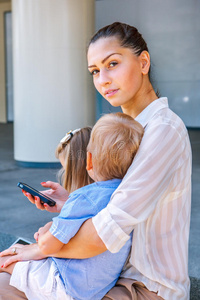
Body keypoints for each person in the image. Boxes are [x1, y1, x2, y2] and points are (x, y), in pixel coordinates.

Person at [0, 22, 192, 300]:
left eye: (112, 63)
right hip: (103, 272)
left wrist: (38, 249)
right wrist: (73, 202)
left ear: (143, 62)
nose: (102, 79)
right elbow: (118, 203)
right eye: (95, 71)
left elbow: (104, 232)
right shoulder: (131, 128)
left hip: (144, 286)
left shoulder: (163, 130)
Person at [0, 112, 144, 300]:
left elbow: (48, 244)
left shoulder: (83, 197)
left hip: (63, 285)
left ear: (89, 160)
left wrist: (46, 229)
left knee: (4, 260)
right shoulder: (124, 197)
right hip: (94, 289)